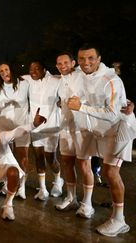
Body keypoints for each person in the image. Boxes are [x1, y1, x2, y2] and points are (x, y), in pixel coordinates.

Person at [68, 45, 132, 237]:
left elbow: (113, 114)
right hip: (99, 130)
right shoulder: (81, 73)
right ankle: (89, 205)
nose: (86, 62)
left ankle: (120, 220)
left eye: (90, 58)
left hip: (119, 128)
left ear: (99, 59)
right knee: (91, 164)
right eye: (81, 59)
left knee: (111, 172)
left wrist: (81, 108)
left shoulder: (111, 79)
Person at [0, 108, 46, 220]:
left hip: (6, 167)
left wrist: (33, 125)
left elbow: (16, 132)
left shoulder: (0, 136)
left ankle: (8, 204)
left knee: (13, 172)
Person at [54, 52, 95, 214]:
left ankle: (87, 203)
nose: (62, 66)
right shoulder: (59, 80)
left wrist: (127, 102)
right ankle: (71, 198)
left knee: (84, 165)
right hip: (65, 127)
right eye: (59, 63)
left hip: (82, 127)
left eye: (65, 62)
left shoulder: (83, 74)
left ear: (73, 63)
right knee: (66, 162)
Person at [23, 61, 63, 200]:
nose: (33, 71)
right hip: (35, 126)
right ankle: (43, 189)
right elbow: (8, 74)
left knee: (51, 158)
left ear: (44, 69)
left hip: (52, 126)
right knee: (39, 157)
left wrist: (62, 101)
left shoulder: (56, 80)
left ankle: (58, 181)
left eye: (36, 68)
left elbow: (72, 83)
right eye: (31, 69)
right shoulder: (28, 79)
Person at [0, 62, 30, 199]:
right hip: (4, 125)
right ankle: (7, 183)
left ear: (11, 70)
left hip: (21, 125)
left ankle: (22, 187)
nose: (4, 73)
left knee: (22, 157)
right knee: (6, 156)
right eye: (1, 71)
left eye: (6, 70)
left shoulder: (25, 82)